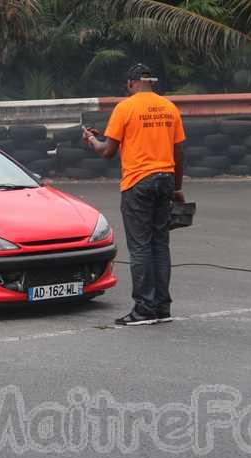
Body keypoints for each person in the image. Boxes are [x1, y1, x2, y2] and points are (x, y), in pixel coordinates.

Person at [83, 63, 186, 326]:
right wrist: (177, 187)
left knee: (140, 247)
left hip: (138, 182)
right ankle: (162, 306)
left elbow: (107, 151)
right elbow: (178, 152)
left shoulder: (125, 108)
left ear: (131, 83)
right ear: (151, 82)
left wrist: (93, 141)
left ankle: (144, 309)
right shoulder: (169, 107)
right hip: (165, 179)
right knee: (160, 245)